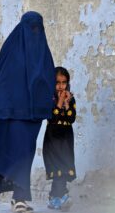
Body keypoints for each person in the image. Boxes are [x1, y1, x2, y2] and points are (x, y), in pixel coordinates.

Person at [0, 11, 55, 213]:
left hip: (33, 115)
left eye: (38, 28)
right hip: (13, 113)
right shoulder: (11, 48)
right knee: (18, 154)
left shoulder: (44, 53)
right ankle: (19, 199)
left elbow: (49, 82)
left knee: (26, 154)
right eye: (31, 28)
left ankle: (18, 198)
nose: (34, 32)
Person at [43, 66, 77, 211]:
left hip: (66, 140)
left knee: (64, 168)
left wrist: (67, 103)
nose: (61, 86)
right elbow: (53, 117)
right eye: (58, 83)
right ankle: (58, 196)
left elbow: (71, 118)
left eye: (64, 83)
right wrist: (59, 102)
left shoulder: (71, 98)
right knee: (58, 168)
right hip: (53, 139)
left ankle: (56, 197)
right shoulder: (49, 99)